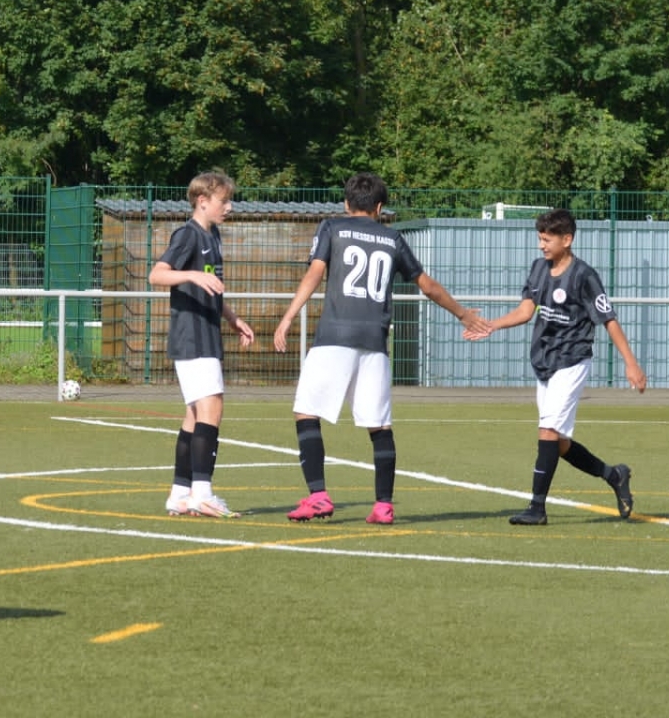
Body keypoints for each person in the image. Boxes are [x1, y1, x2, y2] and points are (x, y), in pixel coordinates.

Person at [272, 174, 486, 525]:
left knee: (306, 412)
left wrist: (288, 317)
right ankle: (383, 505)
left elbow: (314, 274)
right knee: (379, 425)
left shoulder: (332, 228)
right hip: (375, 342)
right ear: (380, 207)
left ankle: (318, 496)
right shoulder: (393, 238)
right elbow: (428, 286)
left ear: (346, 203)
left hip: (334, 337)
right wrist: (463, 314)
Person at [468, 208, 645, 526]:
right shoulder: (539, 269)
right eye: (540, 239)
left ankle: (537, 508)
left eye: (547, 240)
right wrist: (491, 325)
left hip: (572, 361)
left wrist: (631, 364)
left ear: (567, 239)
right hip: (544, 362)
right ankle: (614, 475)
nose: (541, 245)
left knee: (547, 431)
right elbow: (525, 311)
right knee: (559, 443)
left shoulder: (585, 276)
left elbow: (609, 320)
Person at [149, 171, 255, 518]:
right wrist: (191, 274)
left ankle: (180, 494)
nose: (229, 207)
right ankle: (203, 494)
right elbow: (157, 274)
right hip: (192, 336)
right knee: (212, 409)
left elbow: (212, 289)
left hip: (206, 333)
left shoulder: (214, 235)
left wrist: (233, 319)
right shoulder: (188, 235)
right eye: (224, 200)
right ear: (203, 201)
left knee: (195, 414)